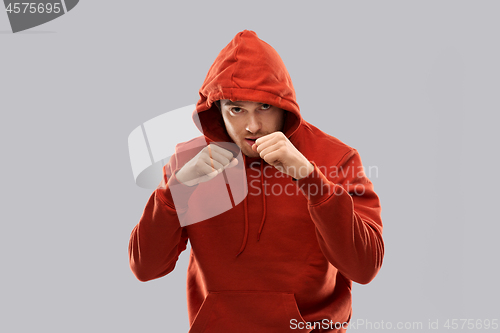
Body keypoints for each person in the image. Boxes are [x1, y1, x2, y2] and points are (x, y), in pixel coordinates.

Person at [128, 30, 384, 332]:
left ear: (284, 106)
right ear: (216, 111)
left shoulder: (336, 158)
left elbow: (364, 267)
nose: (252, 125)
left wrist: (310, 179)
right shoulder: (189, 164)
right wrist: (176, 191)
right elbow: (146, 268)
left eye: (264, 107)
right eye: (237, 109)